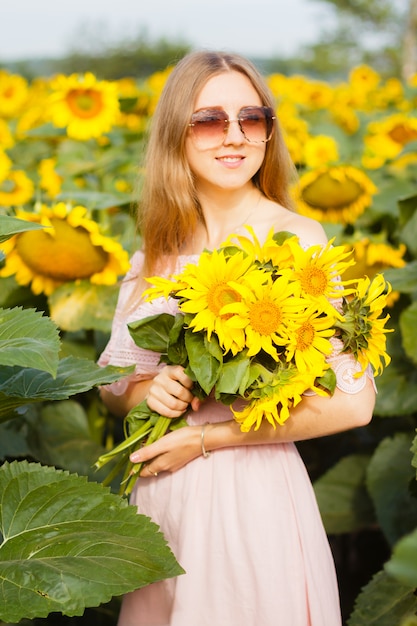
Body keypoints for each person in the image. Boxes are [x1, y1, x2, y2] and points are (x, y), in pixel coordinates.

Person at [98, 50, 376, 626]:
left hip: (249, 496)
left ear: (269, 133)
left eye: (252, 119)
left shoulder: (297, 240)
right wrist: (153, 392)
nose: (234, 137)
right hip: (160, 504)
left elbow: (355, 404)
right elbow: (114, 387)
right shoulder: (157, 249)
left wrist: (206, 439)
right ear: (177, 132)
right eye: (209, 120)